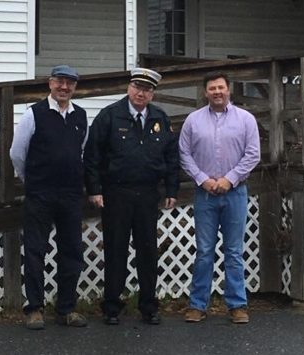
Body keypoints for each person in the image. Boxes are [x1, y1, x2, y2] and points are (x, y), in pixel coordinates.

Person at [84, 68, 180, 325]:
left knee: (148, 251)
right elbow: (92, 156)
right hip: (117, 193)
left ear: (153, 93)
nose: (141, 93)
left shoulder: (160, 118)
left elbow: (172, 157)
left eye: (147, 89)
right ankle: (112, 307)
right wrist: (94, 189)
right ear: (129, 88)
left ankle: (148, 306)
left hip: (148, 194)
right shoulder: (110, 116)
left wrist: (172, 189)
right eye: (137, 87)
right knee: (115, 250)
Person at [10, 64, 89, 330]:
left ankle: (66, 309)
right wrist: (30, 180)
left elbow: (81, 151)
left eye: (70, 83)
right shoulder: (33, 114)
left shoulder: (80, 116)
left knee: (72, 252)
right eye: (60, 82)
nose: (64, 87)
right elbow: (17, 153)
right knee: (35, 251)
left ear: (75, 87)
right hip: (40, 193)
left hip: (70, 194)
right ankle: (34, 309)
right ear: (50, 83)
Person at [179, 72, 260, 324]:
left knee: (234, 251)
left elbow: (253, 153)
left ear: (229, 90)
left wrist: (230, 179)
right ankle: (197, 305)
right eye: (212, 88)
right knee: (204, 251)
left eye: (221, 87)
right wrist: (202, 179)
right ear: (205, 92)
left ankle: (237, 305)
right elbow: (184, 153)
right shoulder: (193, 120)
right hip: (205, 194)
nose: (217, 92)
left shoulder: (246, 119)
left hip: (235, 193)